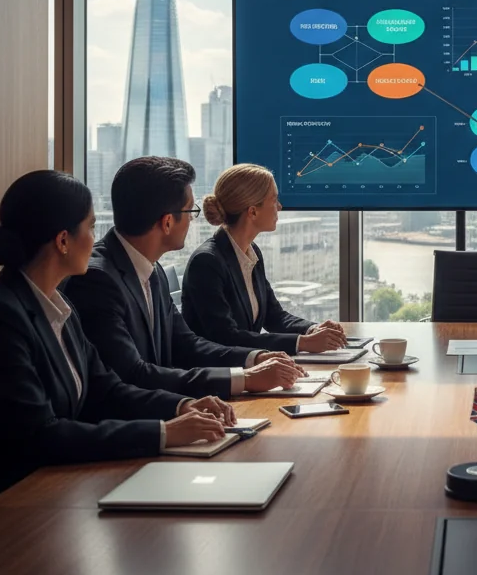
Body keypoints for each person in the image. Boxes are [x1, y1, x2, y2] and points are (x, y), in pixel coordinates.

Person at [0, 171, 231, 493]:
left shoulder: (58, 307)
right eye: (90, 227)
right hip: (14, 502)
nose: (96, 238)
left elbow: (107, 389)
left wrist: (181, 406)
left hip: (61, 484)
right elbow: (39, 435)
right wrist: (163, 433)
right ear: (63, 241)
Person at [65, 157, 304, 399]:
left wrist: (255, 357)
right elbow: (132, 374)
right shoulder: (97, 280)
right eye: (191, 211)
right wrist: (244, 379)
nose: (193, 219)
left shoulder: (151, 268)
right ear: (167, 222)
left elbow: (185, 343)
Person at [181, 164, 348, 353]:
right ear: (252, 212)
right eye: (274, 199)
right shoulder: (207, 263)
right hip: (219, 374)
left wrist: (312, 329)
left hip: (248, 367)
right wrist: (303, 343)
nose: (280, 207)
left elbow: (273, 316)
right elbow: (225, 337)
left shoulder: (251, 252)